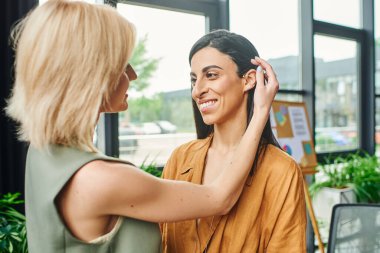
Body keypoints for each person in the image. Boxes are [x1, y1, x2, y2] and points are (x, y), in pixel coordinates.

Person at [5, 1, 279, 252]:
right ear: (92, 75)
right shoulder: (102, 178)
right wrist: (262, 111)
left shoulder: (42, 152)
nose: (133, 75)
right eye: (124, 64)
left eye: (211, 75)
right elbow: (220, 198)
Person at [160, 29, 307, 253]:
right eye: (193, 79)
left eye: (211, 75)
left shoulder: (280, 170)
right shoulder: (181, 158)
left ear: (248, 79)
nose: (197, 90)